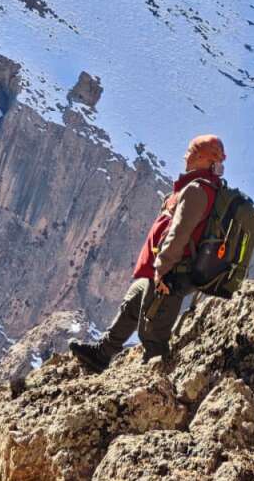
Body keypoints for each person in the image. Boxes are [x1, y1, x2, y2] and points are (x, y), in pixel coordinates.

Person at [69, 135, 227, 372]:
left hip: (174, 270)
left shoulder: (197, 190)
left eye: (190, 152)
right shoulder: (200, 187)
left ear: (203, 158)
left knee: (153, 330)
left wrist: (162, 270)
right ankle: (102, 354)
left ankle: (155, 380)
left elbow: (179, 233)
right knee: (135, 298)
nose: (186, 156)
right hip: (174, 267)